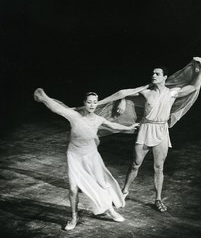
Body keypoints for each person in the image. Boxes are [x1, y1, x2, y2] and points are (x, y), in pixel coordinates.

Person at [34, 89, 140, 230]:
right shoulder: (74, 116)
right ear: (84, 103)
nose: (92, 105)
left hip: (91, 156)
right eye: (89, 102)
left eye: (94, 102)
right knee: (73, 189)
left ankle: (110, 210)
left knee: (102, 184)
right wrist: (44, 97)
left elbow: (113, 125)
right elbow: (57, 108)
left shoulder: (98, 119)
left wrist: (129, 127)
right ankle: (73, 217)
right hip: (74, 156)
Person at [118, 57, 201, 212]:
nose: (154, 75)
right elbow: (126, 92)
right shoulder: (147, 92)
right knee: (135, 164)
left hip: (161, 130)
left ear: (165, 77)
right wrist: (123, 101)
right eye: (153, 73)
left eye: (157, 74)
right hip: (146, 129)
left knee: (159, 167)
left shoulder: (173, 93)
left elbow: (194, 86)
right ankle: (124, 192)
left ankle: (158, 199)